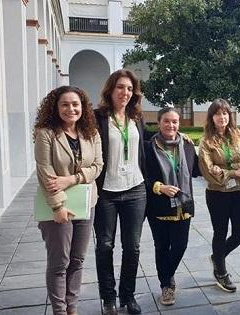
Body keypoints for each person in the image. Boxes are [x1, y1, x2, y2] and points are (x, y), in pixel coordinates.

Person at [33, 86, 104, 315]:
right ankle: (59, 311)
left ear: (83, 107)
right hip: (58, 208)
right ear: (55, 107)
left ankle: (72, 308)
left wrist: (71, 179)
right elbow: (45, 171)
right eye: (65, 104)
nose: (71, 109)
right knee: (59, 263)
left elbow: (98, 166)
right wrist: (58, 206)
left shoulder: (91, 133)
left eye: (75, 104)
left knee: (78, 260)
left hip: (86, 204)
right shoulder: (46, 133)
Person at [93, 69, 149, 315]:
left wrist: (177, 138)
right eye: (120, 87)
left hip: (135, 189)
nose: (125, 93)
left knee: (133, 247)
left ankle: (128, 295)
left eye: (129, 89)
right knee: (105, 245)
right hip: (106, 191)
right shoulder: (97, 117)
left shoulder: (136, 117)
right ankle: (108, 298)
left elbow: (144, 144)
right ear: (110, 90)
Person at [144, 107, 200, 306]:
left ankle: (167, 276)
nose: (171, 125)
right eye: (166, 121)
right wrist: (160, 187)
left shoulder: (186, 145)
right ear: (158, 123)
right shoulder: (148, 147)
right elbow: (143, 176)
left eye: (175, 121)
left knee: (180, 245)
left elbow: (198, 169)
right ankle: (166, 286)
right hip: (159, 206)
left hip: (183, 205)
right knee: (162, 246)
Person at [198, 98, 240, 293]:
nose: (222, 117)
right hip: (218, 194)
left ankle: (217, 256)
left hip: (239, 191)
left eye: (225, 113)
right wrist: (233, 172)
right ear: (211, 117)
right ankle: (221, 272)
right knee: (220, 232)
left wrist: (222, 169)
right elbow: (207, 170)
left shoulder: (237, 134)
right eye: (217, 114)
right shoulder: (206, 142)